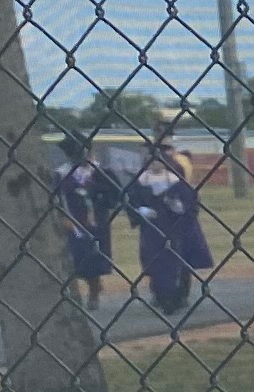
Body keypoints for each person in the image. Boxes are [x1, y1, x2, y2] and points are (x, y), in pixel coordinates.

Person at [130, 141, 213, 321]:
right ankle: (161, 295)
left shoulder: (176, 181)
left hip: (173, 229)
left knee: (176, 262)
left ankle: (177, 296)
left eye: (158, 160)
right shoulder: (140, 181)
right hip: (151, 230)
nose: (155, 164)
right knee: (155, 262)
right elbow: (131, 202)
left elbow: (191, 205)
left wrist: (179, 207)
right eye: (152, 161)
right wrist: (139, 211)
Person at [55, 134, 120, 311]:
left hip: (97, 222)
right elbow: (56, 197)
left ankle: (94, 290)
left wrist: (98, 195)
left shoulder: (101, 172)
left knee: (94, 257)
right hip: (73, 221)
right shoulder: (62, 174)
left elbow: (115, 196)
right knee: (78, 256)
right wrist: (61, 217)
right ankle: (88, 287)